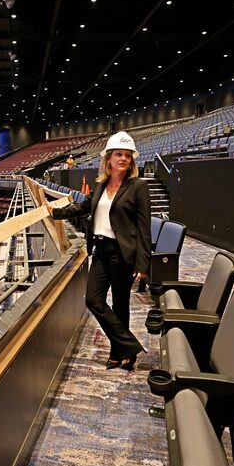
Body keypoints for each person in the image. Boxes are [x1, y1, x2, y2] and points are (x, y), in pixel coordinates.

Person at [47, 131, 151, 371]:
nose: (123, 159)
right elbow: (82, 208)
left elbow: (144, 228)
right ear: (109, 158)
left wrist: (143, 263)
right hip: (101, 251)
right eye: (119, 154)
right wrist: (54, 212)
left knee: (120, 304)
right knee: (93, 300)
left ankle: (120, 353)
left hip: (123, 253)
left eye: (127, 155)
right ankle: (129, 345)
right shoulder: (101, 185)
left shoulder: (138, 187)